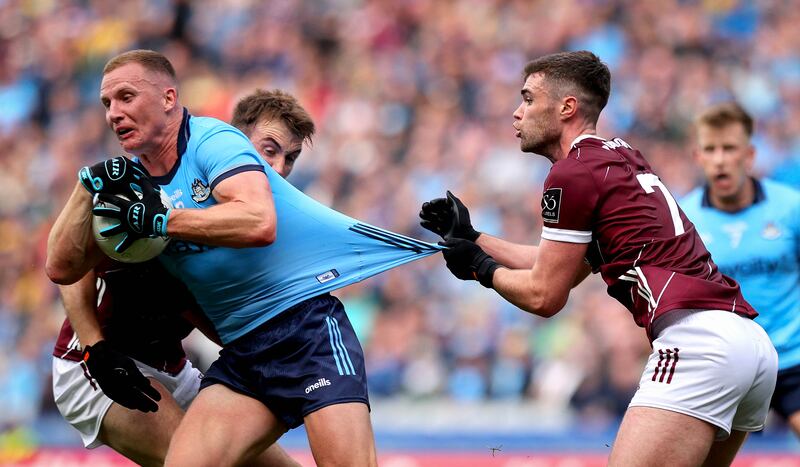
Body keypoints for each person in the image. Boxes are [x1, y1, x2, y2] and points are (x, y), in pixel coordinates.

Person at [45, 49, 440, 467]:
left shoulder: (199, 181)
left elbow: (239, 248)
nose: (276, 168)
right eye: (108, 102)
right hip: (108, 361)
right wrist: (94, 346)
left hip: (298, 337)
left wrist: (162, 221)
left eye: (289, 158)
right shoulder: (136, 180)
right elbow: (67, 269)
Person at [420, 51, 777, 466]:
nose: (517, 113)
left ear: (566, 107)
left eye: (528, 99)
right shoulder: (619, 156)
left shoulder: (571, 174)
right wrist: (476, 239)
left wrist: (481, 270)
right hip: (748, 344)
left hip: (698, 344)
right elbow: (564, 268)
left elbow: (545, 295)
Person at [681, 102, 800, 437]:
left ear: (748, 156)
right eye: (711, 149)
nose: (720, 159)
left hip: (792, 358)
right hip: (727, 364)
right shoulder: (684, 220)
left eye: (729, 148)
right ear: (698, 157)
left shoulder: (790, 207)